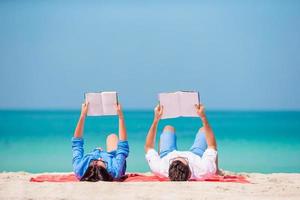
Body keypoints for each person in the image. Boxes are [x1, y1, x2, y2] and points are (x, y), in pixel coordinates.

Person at [144, 104, 218, 181]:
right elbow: (212, 146)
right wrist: (203, 117)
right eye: (185, 159)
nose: (180, 155)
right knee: (203, 130)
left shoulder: (161, 168)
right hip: (196, 155)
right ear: (190, 174)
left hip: (167, 154)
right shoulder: (203, 170)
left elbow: (148, 147)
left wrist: (156, 119)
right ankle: (217, 170)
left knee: (168, 128)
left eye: (174, 159)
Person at [72, 102, 129, 181]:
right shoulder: (115, 171)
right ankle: (108, 157)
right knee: (112, 137)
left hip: (100, 164)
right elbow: (123, 146)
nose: (99, 158)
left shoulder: (79, 169)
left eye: (94, 161)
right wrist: (121, 117)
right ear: (107, 170)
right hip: (113, 158)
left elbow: (76, 143)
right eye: (101, 161)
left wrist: (82, 116)